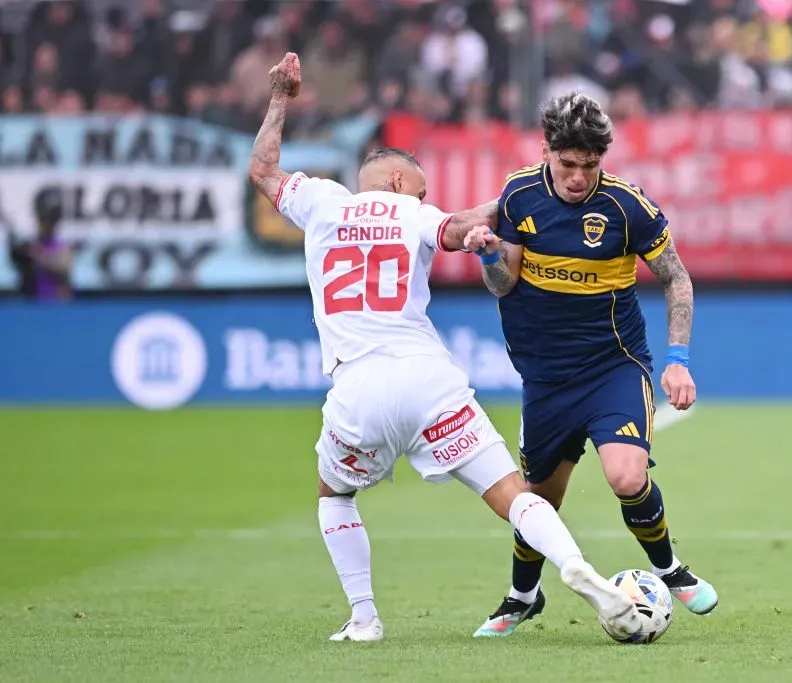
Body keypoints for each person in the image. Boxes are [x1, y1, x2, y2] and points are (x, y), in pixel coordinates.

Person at [247, 54, 641, 643]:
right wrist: (489, 226)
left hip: (358, 386)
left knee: (336, 494)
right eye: (422, 186)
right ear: (400, 182)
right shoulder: (414, 212)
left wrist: (280, 97)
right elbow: (460, 229)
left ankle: (364, 618)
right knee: (514, 494)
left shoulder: (320, 202)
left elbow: (262, 168)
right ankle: (573, 566)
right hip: (429, 378)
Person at [464, 92, 719, 638]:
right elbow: (504, 283)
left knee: (627, 476)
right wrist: (488, 254)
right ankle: (522, 596)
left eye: (590, 165)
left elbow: (676, 277)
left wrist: (678, 361)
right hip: (546, 377)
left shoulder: (628, 208)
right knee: (538, 501)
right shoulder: (519, 195)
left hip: (613, 367)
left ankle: (670, 569)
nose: (579, 177)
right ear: (547, 152)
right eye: (568, 164)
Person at [5, 196, 73, 301]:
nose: (40, 225)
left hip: (55, 301)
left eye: (44, 222)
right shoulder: (32, 245)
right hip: (35, 301)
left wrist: (39, 256)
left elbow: (63, 270)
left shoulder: (61, 247)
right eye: (40, 221)